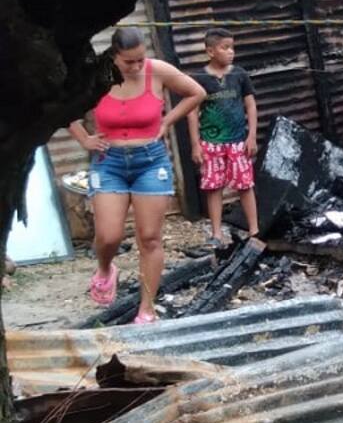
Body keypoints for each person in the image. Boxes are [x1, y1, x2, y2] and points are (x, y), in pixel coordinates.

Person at [68, 27, 206, 323]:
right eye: (129, 61)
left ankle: (146, 309)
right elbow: (63, 106)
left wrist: (167, 121)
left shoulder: (157, 70)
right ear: (114, 56)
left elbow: (197, 92)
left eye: (140, 59)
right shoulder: (97, 76)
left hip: (151, 162)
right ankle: (106, 268)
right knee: (109, 235)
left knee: (150, 238)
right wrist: (84, 139)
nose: (136, 66)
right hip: (108, 162)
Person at [187, 28, 259, 247]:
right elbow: (192, 112)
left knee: (245, 185)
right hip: (211, 143)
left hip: (238, 141)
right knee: (214, 187)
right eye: (225, 48)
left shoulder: (239, 75)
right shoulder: (199, 78)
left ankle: (254, 230)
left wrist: (251, 136)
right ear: (210, 51)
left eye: (232, 47)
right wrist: (195, 144)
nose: (231, 52)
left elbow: (250, 105)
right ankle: (217, 234)